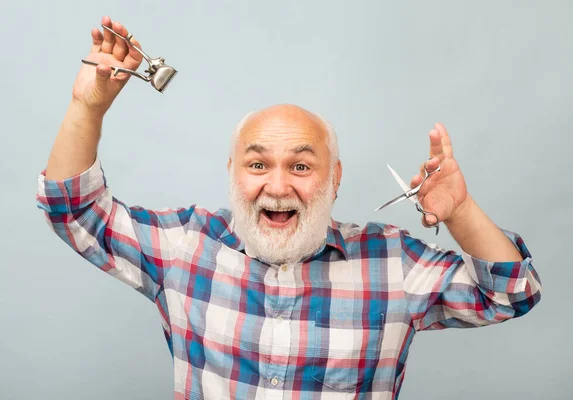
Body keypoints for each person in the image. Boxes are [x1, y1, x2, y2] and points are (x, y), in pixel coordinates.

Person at [36, 16, 542, 400]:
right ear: (233, 171)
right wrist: (88, 106)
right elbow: (74, 212)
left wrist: (460, 211)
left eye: (301, 167)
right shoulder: (187, 246)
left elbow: (511, 294)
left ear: (334, 179)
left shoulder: (393, 264)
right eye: (257, 165)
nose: (277, 186)